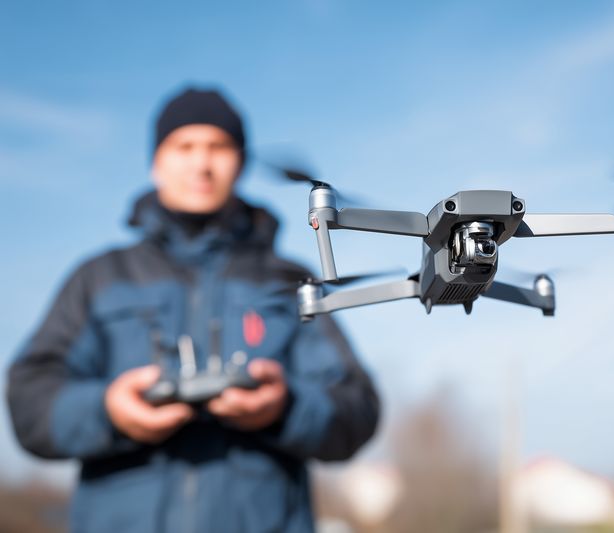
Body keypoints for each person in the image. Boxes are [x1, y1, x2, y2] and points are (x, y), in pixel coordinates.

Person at [6, 87, 380, 533]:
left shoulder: (288, 282)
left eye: (218, 147)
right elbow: (29, 402)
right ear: (156, 162)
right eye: (184, 146)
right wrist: (108, 411)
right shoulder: (100, 278)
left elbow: (357, 409)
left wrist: (284, 407)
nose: (201, 163)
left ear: (240, 162)